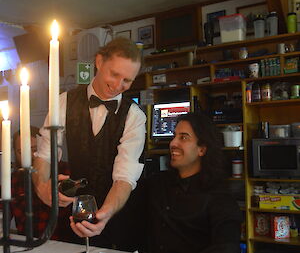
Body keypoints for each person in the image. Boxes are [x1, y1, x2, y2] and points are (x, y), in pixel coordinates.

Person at [32, 37, 146, 249]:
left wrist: (105, 214)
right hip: (74, 213)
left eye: (127, 80)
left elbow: (125, 178)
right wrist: (43, 188)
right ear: (99, 61)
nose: (117, 85)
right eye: (114, 74)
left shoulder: (135, 116)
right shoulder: (64, 102)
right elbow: (45, 154)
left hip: (117, 218)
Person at [142, 112, 242, 253]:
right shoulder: (157, 183)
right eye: (174, 136)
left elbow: (227, 247)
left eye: (183, 137)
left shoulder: (220, 199)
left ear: (202, 149)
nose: (173, 143)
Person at [10, 126, 71, 240]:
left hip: (64, 244)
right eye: (21, 151)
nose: (30, 156)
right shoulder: (13, 180)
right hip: (27, 243)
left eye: (35, 150)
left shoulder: (65, 172)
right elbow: (3, 214)